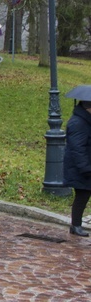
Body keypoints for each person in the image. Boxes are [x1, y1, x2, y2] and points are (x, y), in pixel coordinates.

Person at [63, 85, 91, 237]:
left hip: (85, 165)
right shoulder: (78, 123)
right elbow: (77, 149)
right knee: (82, 195)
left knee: (83, 195)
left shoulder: (85, 121)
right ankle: (76, 225)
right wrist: (86, 168)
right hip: (81, 168)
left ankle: (76, 225)